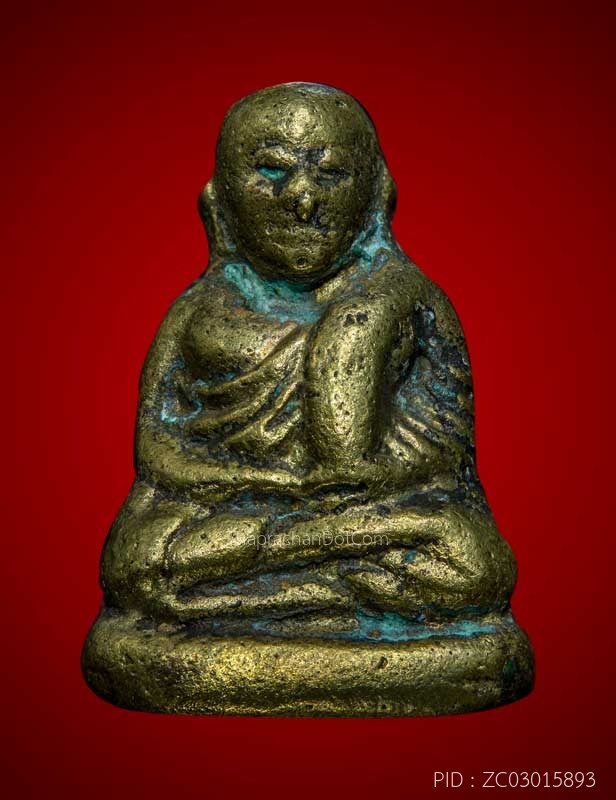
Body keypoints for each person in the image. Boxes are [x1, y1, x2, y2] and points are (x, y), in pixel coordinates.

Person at [100, 82, 516, 635]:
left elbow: (447, 461)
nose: (302, 199)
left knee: (471, 558)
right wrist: (263, 482)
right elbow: (157, 453)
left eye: (331, 173)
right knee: (135, 558)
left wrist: (359, 487)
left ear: (375, 194)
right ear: (219, 200)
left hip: (376, 516)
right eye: (272, 170)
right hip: (241, 511)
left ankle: (262, 594)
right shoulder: (198, 310)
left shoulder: (410, 301)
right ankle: (319, 591)